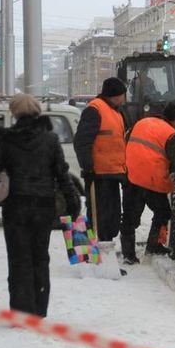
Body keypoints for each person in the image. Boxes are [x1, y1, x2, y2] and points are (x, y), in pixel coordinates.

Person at [0, 94, 81, 317]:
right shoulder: (50, 139)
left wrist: (1, 183)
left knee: (18, 258)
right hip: (43, 206)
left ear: (14, 113)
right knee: (40, 256)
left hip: (15, 206)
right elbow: (62, 173)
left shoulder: (6, 139)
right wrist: (72, 202)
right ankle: (39, 309)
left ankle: (21, 310)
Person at [120, 102, 175, 263]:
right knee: (163, 212)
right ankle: (154, 245)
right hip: (151, 180)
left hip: (131, 176)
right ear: (173, 120)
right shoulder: (170, 134)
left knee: (129, 217)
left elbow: (126, 143)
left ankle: (128, 254)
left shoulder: (140, 123)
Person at [73, 77, 128, 245]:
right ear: (115, 95)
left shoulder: (116, 112)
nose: (125, 98)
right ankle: (94, 255)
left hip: (113, 172)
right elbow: (81, 141)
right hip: (98, 174)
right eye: (123, 94)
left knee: (111, 218)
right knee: (99, 217)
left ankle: (105, 250)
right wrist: (88, 167)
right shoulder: (95, 110)